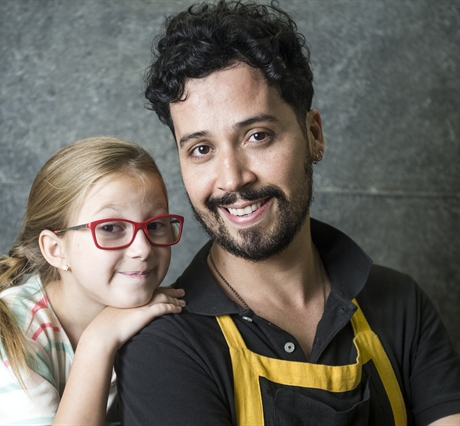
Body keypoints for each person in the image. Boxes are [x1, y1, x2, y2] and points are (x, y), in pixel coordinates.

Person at [114, 1, 460, 425]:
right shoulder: (165, 347)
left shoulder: (401, 303)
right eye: (201, 149)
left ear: (313, 135)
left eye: (257, 136)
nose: (232, 179)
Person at [0, 136, 186, 425]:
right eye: (110, 228)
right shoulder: (19, 330)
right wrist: (98, 340)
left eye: (155, 225)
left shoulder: (163, 315)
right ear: (56, 250)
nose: (142, 249)